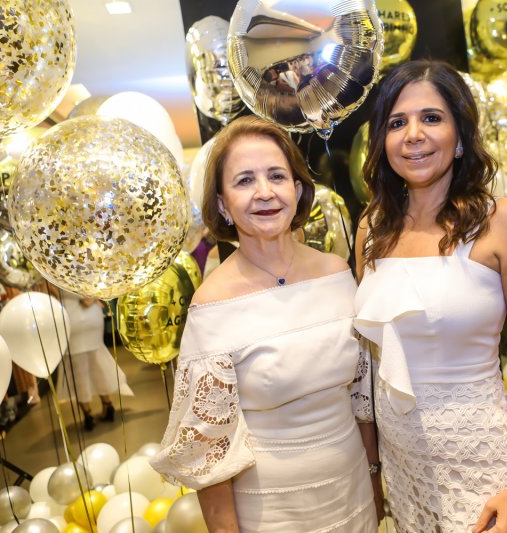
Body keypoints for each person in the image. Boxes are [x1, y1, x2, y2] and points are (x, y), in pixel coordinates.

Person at [150, 116, 381, 532]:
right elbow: (209, 453)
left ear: (297, 189)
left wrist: (375, 483)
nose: (264, 192)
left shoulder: (336, 274)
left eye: (277, 175)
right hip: (271, 512)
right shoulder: (212, 305)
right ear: (222, 204)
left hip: (353, 499)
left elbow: (362, 404)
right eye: (244, 181)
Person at [354, 59, 507, 533]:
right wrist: (374, 470)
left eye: (431, 118)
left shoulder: (503, 221)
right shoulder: (371, 229)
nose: (413, 135)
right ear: (383, 143)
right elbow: (369, 366)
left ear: (460, 136)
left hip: (484, 468)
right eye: (397, 123)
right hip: (403, 467)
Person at [56, 289, 133, 431]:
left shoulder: (50, 267)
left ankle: (88, 414)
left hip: (69, 315)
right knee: (97, 360)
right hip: (93, 312)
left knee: (76, 367)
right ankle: (107, 404)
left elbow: (51, 291)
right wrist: (91, 296)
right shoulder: (84, 266)